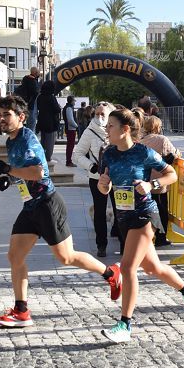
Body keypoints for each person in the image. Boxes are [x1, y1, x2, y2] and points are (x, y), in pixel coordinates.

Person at [0, 96, 122, 327]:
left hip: (47, 204)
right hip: (30, 206)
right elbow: (22, 171)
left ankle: (111, 274)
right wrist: (7, 178)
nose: (1, 119)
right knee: (14, 256)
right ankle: (22, 311)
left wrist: (9, 169)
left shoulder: (27, 139)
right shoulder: (11, 141)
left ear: (21, 117)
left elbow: (38, 173)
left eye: (6, 115)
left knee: (66, 257)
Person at [97, 109, 184, 343]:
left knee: (127, 267)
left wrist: (150, 183)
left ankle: (125, 324)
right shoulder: (109, 154)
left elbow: (171, 174)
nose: (107, 130)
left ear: (125, 130)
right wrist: (104, 185)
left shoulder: (144, 152)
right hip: (124, 217)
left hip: (145, 214)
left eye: (110, 126)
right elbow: (105, 187)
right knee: (153, 268)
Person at [74, 101, 118, 257]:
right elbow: (76, 155)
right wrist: (91, 166)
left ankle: (121, 236)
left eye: (103, 114)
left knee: (120, 209)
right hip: (97, 178)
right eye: (97, 114)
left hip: (118, 178)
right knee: (99, 211)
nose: (99, 116)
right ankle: (101, 244)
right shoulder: (89, 131)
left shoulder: (117, 129)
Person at [140, 115, 180, 248]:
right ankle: (161, 237)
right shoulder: (162, 139)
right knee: (161, 210)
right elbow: (174, 154)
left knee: (147, 210)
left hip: (143, 182)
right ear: (157, 127)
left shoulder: (140, 141)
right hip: (159, 182)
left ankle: (147, 236)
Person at [34, 81, 62, 166]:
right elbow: (57, 109)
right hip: (51, 122)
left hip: (41, 121)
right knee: (50, 142)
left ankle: (43, 157)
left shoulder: (40, 97)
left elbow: (38, 107)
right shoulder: (51, 97)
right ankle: (48, 158)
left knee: (43, 141)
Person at [63, 96, 79, 167]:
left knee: (70, 146)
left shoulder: (67, 107)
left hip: (70, 129)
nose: (75, 102)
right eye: (74, 100)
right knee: (70, 146)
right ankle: (69, 161)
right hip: (71, 129)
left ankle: (68, 161)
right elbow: (70, 120)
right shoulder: (69, 108)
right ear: (71, 101)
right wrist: (77, 126)